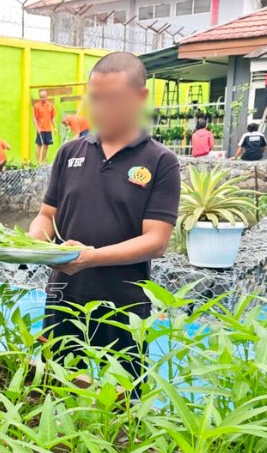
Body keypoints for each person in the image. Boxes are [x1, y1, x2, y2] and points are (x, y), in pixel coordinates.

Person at [28, 52, 180, 384]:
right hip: (64, 298)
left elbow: (156, 240)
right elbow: (46, 215)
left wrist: (92, 257)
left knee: (124, 405)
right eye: (95, 98)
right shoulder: (70, 153)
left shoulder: (160, 161)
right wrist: (35, 241)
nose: (100, 109)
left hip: (123, 305)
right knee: (57, 389)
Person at [33, 89, 56, 165]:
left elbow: (52, 117)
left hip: (48, 129)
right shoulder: (36, 106)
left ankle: (43, 161)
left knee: (46, 146)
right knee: (39, 145)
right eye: (40, 97)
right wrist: (37, 128)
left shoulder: (51, 106)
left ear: (47, 97)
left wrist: (55, 127)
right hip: (41, 129)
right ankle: (37, 162)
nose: (42, 98)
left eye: (43, 97)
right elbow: (35, 118)